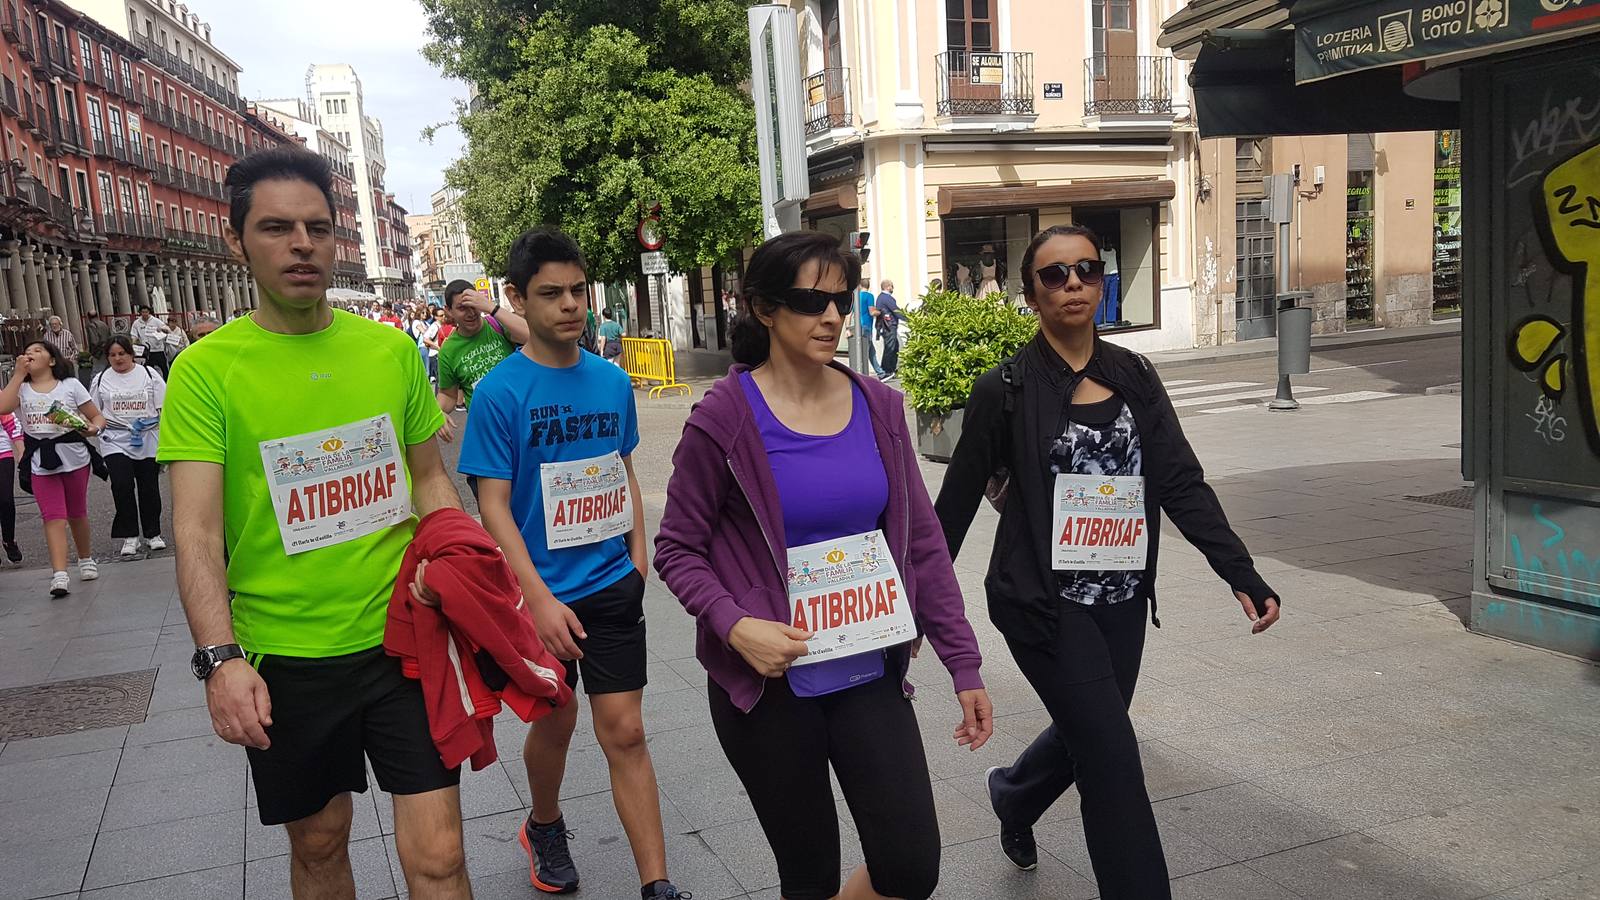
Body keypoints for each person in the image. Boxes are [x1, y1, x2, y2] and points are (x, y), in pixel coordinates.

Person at [158, 147, 473, 899]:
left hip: (405, 641)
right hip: (287, 659)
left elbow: (430, 477)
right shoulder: (206, 371)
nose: (302, 244)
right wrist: (219, 660)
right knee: (322, 845)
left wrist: (459, 565)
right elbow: (197, 533)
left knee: (441, 857)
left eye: (317, 228)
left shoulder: (391, 352)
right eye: (276, 228)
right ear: (236, 240)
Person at [933, 224, 1283, 899]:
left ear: (1101, 281)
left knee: (1095, 734)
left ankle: (1015, 795)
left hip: (1121, 601)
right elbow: (950, 512)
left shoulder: (1134, 376)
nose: (1073, 284)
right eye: (1054, 275)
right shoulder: (1003, 388)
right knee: (1114, 765)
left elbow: (1179, 479)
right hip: (1040, 602)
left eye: (1086, 270)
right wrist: (920, 612)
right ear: (1030, 293)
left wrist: (1239, 570)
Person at [655, 232, 993, 900]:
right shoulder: (723, 420)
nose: (832, 317)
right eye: (811, 301)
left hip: (866, 668)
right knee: (806, 875)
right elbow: (676, 548)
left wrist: (964, 663)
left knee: (910, 864)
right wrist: (734, 625)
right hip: (768, 688)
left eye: (841, 299)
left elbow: (923, 545)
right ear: (764, 309)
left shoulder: (880, 407)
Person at [457, 227, 687, 900]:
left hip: (612, 583)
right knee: (553, 722)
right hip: (540, 597)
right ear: (517, 300)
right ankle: (545, 823)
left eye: (577, 291)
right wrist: (535, 597)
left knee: (627, 730)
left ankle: (657, 884)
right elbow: (492, 506)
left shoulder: (613, 383)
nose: (569, 306)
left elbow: (622, 471)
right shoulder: (500, 392)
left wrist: (637, 559)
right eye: (550, 294)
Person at [0, 340, 108, 597]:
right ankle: (59, 573)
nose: (30, 354)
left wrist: (94, 429)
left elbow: (96, 416)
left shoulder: (69, 386)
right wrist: (17, 374)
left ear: (51, 360)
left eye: (37, 351)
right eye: (27, 352)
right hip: (39, 457)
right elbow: (3, 407)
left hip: (73, 454)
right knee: (52, 515)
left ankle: (85, 558)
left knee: (76, 511)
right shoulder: (21, 388)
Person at [91, 336, 167, 559]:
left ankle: (153, 533)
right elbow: (93, 411)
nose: (117, 359)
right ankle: (130, 535)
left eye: (121, 353)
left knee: (149, 487)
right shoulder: (101, 379)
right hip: (115, 440)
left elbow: (165, 408)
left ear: (131, 354)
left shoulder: (150, 375)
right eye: (113, 355)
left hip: (147, 438)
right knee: (122, 485)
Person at [435, 279, 529, 446]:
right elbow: (448, 395)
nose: (471, 313)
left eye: (473, 305)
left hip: (523, 419)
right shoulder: (448, 351)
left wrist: (490, 307)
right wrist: (436, 412)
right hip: (488, 432)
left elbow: (531, 336)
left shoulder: (497, 323)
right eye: (462, 308)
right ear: (448, 311)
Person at [1, 410, 22, 563]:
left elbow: (10, 420)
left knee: (6, 500)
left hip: (2, 452)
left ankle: (9, 540)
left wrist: (21, 449)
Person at [131, 304, 174, 377]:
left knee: (164, 368)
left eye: (146, 312)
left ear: (149, 312)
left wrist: (162, 329)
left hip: (158, 349)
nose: (145, 314)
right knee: (148, 369)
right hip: (146, 350)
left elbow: (167, 329)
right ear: (140, 313)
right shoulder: (136, 323)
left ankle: (167, 381)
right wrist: (133, 343)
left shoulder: (156, 321)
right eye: (143, 312)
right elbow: (134, 335)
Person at [854, 277, 883, 378]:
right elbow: (872, 312)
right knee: (866, 351)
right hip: (866, 326)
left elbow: (850, 314)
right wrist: (881, 312)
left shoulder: (856, 297)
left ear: (860, 286)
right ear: (868, 286)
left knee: (871, 351)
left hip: (857, 326)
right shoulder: (869, 296)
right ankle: (863, 373)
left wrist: (848, 328)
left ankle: (880, 372)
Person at [874, 280, 901, 381]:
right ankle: (886, 370)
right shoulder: (886, 298)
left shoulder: (881, 298)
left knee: (894, 347)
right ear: (888, 287)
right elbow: (896, 310)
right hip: (889, 326)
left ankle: (891, 369)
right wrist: (908, 318)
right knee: (890, 348)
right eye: (892, 286)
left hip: (887, 326)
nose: (893, 289)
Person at [416, 306, 443, 385]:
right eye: (441, 316)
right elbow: (426, 339)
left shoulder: (441, 325)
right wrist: (437, 347)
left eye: (444, 315)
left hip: (439, 354)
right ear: (436, 317)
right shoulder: (434, 326)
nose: (444, 317)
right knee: (440, 381)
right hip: (435, 355)